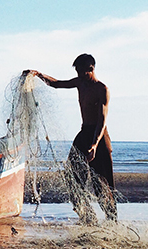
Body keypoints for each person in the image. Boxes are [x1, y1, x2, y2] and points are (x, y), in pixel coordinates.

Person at [25, 54, 117, 222]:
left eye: (82, 72)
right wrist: (38, 74)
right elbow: (56, 84)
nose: (79, 75)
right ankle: (87, 218)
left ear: (91, 68)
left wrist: (95, 145)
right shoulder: (79, 83)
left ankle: (112, 222)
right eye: (77, 72)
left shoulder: (102, 89)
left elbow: (102, 121)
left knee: (102, 185)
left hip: (99, 137)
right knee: (71, 178)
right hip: (84, 134)